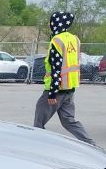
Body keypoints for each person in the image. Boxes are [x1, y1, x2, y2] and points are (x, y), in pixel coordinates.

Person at [33, 11, 96, 145]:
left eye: (50, 22)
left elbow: (56, 68)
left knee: (38, 122)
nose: (49, 25)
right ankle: (91, 144)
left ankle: (37, 146)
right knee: (69, 121)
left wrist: (52, 93)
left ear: (55, 23)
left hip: (57, 89)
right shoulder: (74, 39)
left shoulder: (57, 41)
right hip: (70, 88)